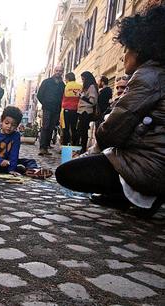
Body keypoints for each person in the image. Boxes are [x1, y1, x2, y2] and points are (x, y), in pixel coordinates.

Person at [55, 3, 165, 217]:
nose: (123, 56)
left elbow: (111, 131)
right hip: (153, 161)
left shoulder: (148, 76)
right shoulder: (157, 75)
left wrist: (87, 155)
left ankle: (134, 194)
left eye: (126, 49)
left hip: (151, 167)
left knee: (66, 173)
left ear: (139, 50)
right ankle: (130, 194)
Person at [0, 106, 52, 178]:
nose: (9, 126)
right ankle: (21, 169)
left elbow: (14, 153)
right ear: (1, 121)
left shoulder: (16, 136)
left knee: (30, 161)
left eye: (13, 125)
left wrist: (12, 169)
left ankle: (34, 171)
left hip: (8, 162)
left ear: (17, 126)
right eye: (7, 123)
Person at [37, 65, 65, 155]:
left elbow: (63, 97)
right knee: (45, 126)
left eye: (60, 71)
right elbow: (39, 94)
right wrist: (45, 103)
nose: (58, 72)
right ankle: (42, 148)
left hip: (56, 109)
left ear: (62, 72)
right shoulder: (47, 82)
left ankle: (46, 147)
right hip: (47, 108)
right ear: (54, 71)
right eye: (57, 70)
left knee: (51, 128)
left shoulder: (62, 85)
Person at [76, 71, 98, 153]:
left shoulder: (91, 87)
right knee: (81, 131)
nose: (82, 81)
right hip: (82, 111)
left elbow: (92, 101)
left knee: (83, 131)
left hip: (86, 111)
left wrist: (82, 97)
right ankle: (82, 148)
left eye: (83, 79)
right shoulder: (87, 87)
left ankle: (83, 148)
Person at [61, 72, 82, 145]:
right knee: (74, 128)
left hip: (66, 109)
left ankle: (65, 146)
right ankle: (74, 146)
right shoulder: (80, 86)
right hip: (76, 109)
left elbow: (62, 97)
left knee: (66, 128)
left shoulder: (66, 86)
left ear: (67, 78)